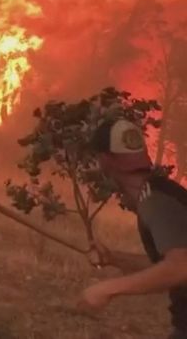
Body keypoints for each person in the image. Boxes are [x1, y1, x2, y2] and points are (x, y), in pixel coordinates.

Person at [79, 118, 187, 339]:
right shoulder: (162, 191)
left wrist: (107, 289)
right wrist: (115, 258)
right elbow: (166, 266)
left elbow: (180, 267)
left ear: (104, 160)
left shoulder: (154, 201)